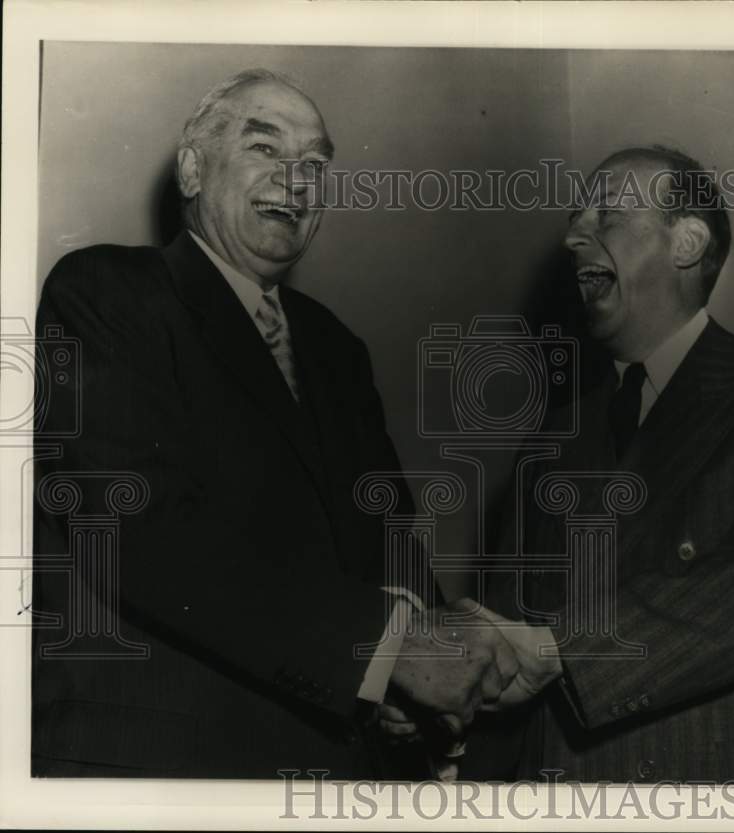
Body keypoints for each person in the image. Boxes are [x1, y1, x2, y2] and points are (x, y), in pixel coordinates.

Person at [31, 68, 513, 779]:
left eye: (315, 163)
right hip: (164, 762)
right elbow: (137, 523)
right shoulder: (107, 291)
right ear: (193, 171)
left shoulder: (336, 346)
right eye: (265, 148)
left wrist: (420, 654)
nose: (297, 180)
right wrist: (385, 650)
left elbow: (391, 530)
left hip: (329, 765)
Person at [382, 145, 734, 786]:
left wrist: (557, 651)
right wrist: (444, 702)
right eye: (577, 218)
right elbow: (504, 643)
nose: (574, 236)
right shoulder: (554, 437)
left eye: (606, 213)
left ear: (686, 242)